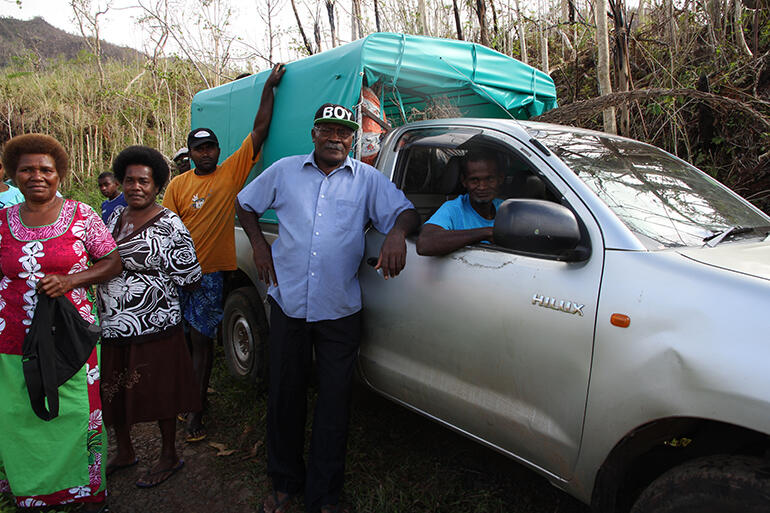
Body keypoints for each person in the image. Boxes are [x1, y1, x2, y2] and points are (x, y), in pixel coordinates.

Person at [236, 103, 420, 513]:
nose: (337, 137)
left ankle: (324, 496)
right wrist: (260, 246)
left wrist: (396, 235)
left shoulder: (367, 180)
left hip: (340, 310)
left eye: (345, 131)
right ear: (315, 133)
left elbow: (406, 211)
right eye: (329, 129)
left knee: (334, 404)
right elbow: (244, 204)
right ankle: (284, 483)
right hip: (290, 305)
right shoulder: (284, 171)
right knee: (285, 396)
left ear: (353, 137)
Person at [163, 63, 285, 443]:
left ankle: (195, 413)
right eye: (198, 148)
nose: (205, 153)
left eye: (210, 146)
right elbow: (165, 233)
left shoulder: (231, 172)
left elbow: (260, 130)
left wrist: (269, 88)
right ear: (191, 152)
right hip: (178, 277)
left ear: (218, 149)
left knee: (202, 343)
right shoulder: (177, 186)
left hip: (210, 275)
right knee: (181, 341)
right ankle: (192, 398)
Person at [0, 134, 122, 511]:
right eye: (27, 170)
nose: (37, 176)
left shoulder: (82, 215)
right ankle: (28, 490)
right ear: (13, 176)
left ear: (59, 174)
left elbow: (112, 263)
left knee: (75, 413)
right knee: (17, 414)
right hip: (11, 338)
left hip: (71, 338)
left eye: (45, 169)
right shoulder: (2, 220)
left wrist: (71, 280)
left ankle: (87, 491)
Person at [97, 145, 202, 488]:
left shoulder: (170, 223)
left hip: (155, 326)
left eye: (144, 181)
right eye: (129, 181)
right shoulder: (114, 217)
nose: (135, 187)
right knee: (113, 390)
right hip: (113, 325)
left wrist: (148, 283)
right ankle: (124, 451)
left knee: (161, 393)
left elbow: (191, 275)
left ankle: (169, 455)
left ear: (157, 186)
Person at [416, 152, 504, 256]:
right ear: (464, 181)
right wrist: (486, 233)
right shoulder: (453, 209)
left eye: (489, 179)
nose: (482, 187)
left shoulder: (506, 209)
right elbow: (425, 243)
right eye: (474, 180)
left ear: (500, 179)